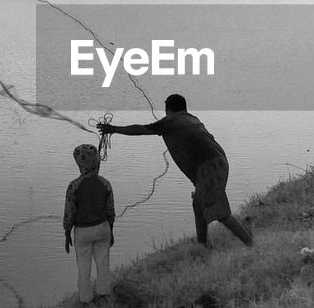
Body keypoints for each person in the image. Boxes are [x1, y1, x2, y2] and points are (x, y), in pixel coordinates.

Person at [98, 94, 253, 247]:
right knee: (199, 205)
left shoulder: (171, 121)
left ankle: (248, 242)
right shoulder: (192, 118)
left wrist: (113, 129)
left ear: (168, 110)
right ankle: (203, 244)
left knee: (219, 211)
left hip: (209, 167)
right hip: (219, 161)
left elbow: (140, 129)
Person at [63, 143, 115, 305]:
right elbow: (110, 211)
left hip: (82, 231)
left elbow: (69, 213)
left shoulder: (73, 186)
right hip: (103, 228)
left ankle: (86, 300)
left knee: (83, 266)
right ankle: (104, 296)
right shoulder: (105, 183)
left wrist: (67, 233)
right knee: (103, 263)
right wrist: (111, 231)